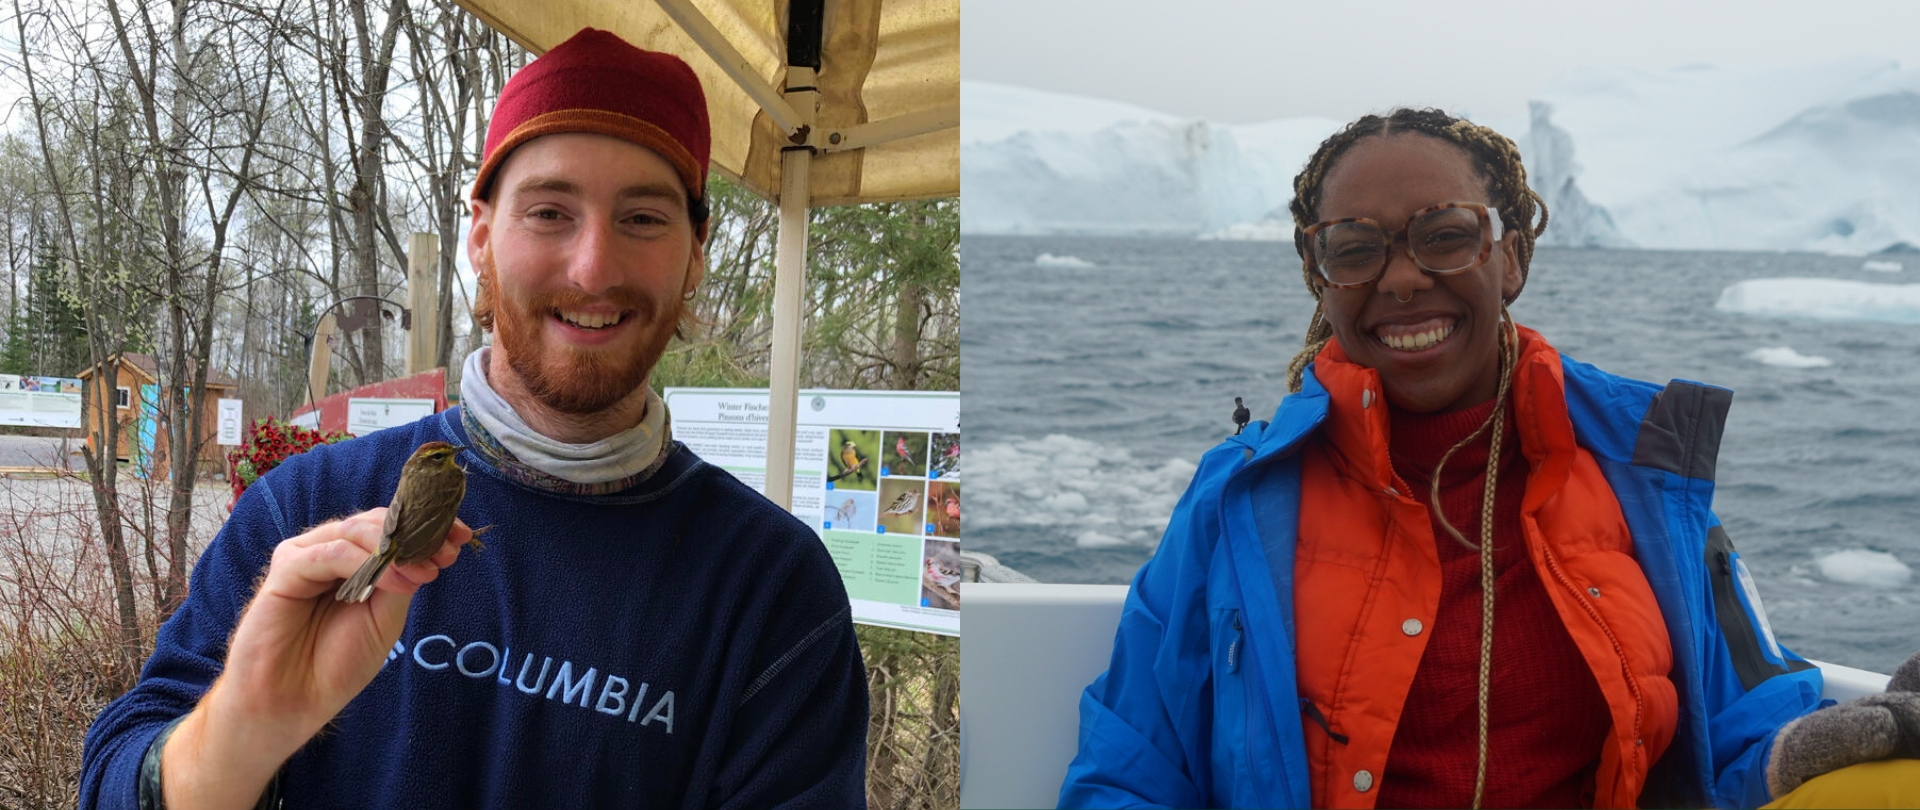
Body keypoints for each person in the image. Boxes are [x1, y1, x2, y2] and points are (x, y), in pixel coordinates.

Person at [80, 28, 868, 809]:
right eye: (550, 212)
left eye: (643, 219)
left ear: (696, 253)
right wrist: (240, 732)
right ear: (482, 239)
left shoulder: (773, 591)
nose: (593, 267)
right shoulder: (309, 513)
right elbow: (114, 777)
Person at [1057, 108, 1920, 808]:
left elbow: (1736, 717)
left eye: (1444, 236)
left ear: (1510, 257)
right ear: (1322, 280)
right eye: (1355, 249)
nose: (1400, 280)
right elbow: (1133, 764)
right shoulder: (1242, 501)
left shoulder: (1640, 473)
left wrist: (1796, 755)